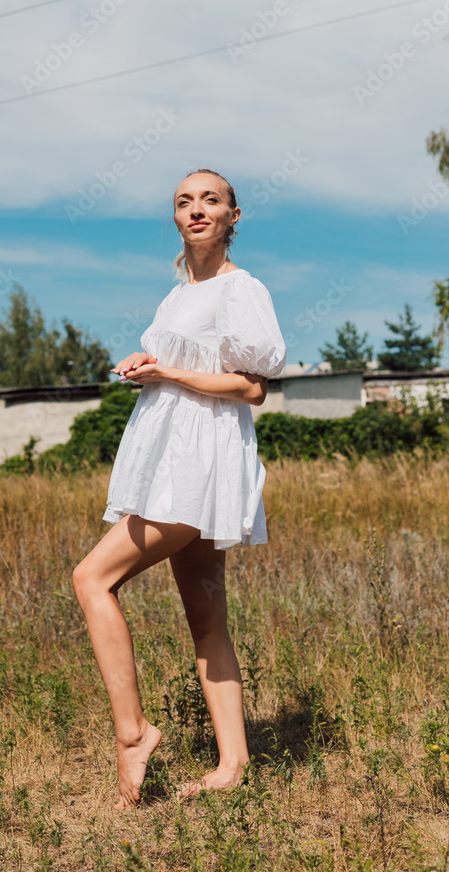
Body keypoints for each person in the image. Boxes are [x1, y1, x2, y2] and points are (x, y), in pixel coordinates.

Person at [72, 168, 287, 810]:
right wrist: (149, 369)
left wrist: (170, 371)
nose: (197, 209)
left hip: (197, 463)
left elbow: (253, 387)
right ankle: (233, 764)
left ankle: (134, 732)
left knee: (91, 579)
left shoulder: (240, 289)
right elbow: (185, 368)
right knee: (206, 618)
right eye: (184, 201)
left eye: (210, 200)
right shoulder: (175, 297)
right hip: (171, 454)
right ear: (176, 219)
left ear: (233, 216)